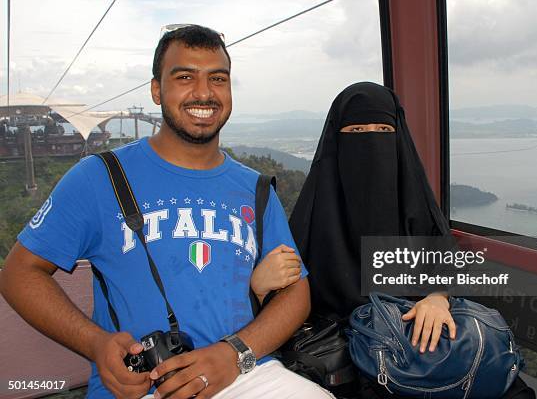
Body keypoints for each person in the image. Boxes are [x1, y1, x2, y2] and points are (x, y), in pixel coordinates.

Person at [0, 26, 333, 399]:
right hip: (146, 385)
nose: (204, 92)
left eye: (218, 79)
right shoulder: (100, 178)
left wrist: (234, 353)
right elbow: (19, 273)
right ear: (157, 89)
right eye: (185, 77)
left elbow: (296, 293)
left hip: (245, 373)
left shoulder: (255, 189)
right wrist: (96, 344)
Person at [252, 82, 456, 356]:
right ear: (337, 140)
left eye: (384, 131)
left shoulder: (416, 206)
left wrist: (437, 298)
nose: (371, 142)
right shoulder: (311, 221)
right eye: (357, 131)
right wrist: (260, 289)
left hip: (409, 349)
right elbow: (285, 300)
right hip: (331, 355)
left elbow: (446, 265)